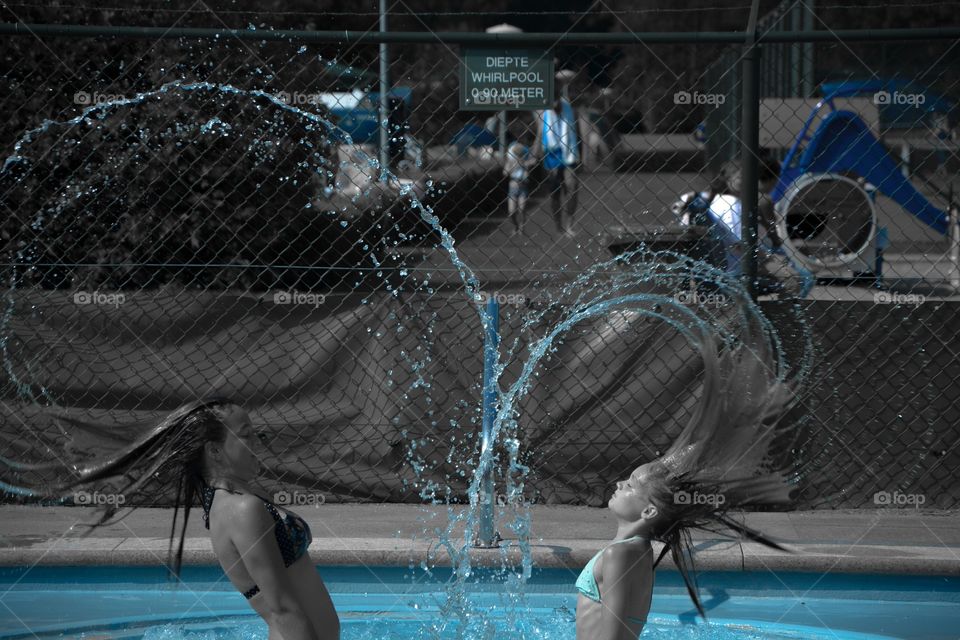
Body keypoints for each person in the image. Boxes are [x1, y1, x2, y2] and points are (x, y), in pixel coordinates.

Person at [3, 397, 340, 640]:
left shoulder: (230, 502)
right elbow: (282, 608)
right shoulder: (241, 509)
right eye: (246, 434)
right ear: (215, 451)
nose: (258, 442)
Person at [575, 332, 798, 639]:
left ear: (650, 510)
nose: (618, 483)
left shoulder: (622, 556)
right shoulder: (634, 552)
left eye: (630, 485)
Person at [537, 98, 583, 237]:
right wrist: (536, 153)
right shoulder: (543, 112)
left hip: (569, 152)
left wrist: (582, 155)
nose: (555, 103)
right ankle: (558, 226)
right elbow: (540, 134)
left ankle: (569, 224)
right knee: (555, 194)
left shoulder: (570, 111)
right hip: (551, 155)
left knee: (572, 187)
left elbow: (578, 133)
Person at [503, 129, 536, 236]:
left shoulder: (525, 157)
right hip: (513, 184)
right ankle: (516, 226)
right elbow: (505, 171)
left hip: (523, 184)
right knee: (511, 211)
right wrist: (513, 165)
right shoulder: (511, 160)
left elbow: (533, 160)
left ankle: (521, 228)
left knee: (522, 209)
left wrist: (523, 163)